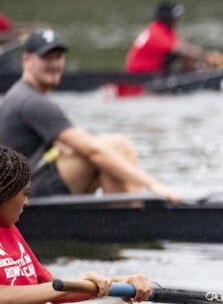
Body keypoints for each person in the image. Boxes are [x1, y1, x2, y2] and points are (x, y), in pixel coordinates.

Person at [0, 148, 195, 304]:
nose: (27, 202)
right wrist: (57, 288)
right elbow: (49, 290)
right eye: (23, 193)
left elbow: (58, 289)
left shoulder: (10, 231)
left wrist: (113, 283)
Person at [0, 30, 181, 202]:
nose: (54, 64)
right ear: (27, 60)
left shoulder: (19, 94)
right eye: (46, 57)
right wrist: (153, 183)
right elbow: (94, 151)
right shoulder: (33, 102)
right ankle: (131, 219)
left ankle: (125, 215)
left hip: (21, 187)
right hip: (23, 197)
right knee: (116, 145)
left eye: (58, 57)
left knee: (105, 154)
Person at [125, 1, 223, 75]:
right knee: (187, 55)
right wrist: (208, 57)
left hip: (156, 71)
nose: (177, 20)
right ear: (167, 19)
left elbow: (186, 47)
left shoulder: (167, 31)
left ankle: (200, 75)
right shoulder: (155, 32)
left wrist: (207, 56)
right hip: (141, 76)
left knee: (190, 56)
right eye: (175, 18)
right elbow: (182, 50)